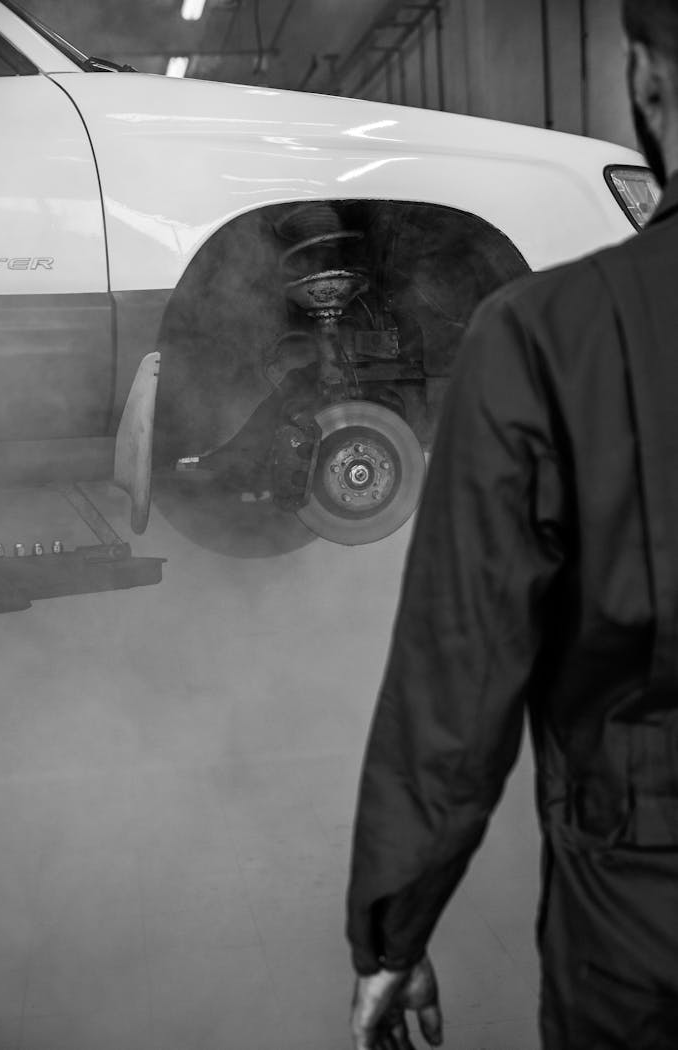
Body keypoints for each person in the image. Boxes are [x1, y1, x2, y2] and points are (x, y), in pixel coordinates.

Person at [346, 2, 678, 1048]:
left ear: (644, 75)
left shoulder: (544, 336)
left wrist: (394, 929)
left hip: (646, 914)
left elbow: (459, 667)